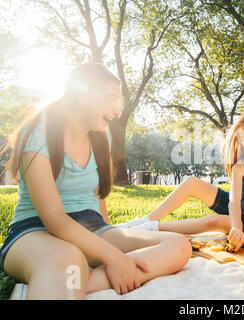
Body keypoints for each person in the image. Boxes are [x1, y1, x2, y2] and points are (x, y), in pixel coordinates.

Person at [0, 63, 191, 299]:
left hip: (92, 226)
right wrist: (113, 256)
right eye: (110, 98)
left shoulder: (102, 136)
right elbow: (55, 220)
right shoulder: (39, 134)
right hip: (35, 229)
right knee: (68, 259)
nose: (118, 110)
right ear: (82, 95)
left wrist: (111, 241)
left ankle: (74, 282)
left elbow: (98, 197)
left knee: (178, 246)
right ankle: (64, 277)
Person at [130, 110, 244, 251]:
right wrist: (236, 227)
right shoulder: (239, 166)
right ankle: (144, 221)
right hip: (237, 210)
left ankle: (152, 228)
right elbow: (233, 202)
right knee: (191, 182)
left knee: (214, 221)